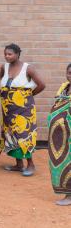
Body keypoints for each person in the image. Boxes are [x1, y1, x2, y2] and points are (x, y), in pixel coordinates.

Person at [0, 43, 46, 177]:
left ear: (17, 54)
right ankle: (19, 164)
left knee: (24, 135)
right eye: (5, 54)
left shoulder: (28, 69)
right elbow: (3, 84)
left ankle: (31, 164)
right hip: (8, 108)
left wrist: (26, 97)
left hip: (24, 110)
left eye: (10, 54)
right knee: (11, 134)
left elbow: (42, 85)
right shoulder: (4, 67)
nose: (7, 56)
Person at [49, 63, 71, 206]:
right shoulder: (65, 87)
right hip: (61, 136)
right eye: (68, 73)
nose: (70, 76)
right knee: (63, 162)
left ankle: (69, 196)